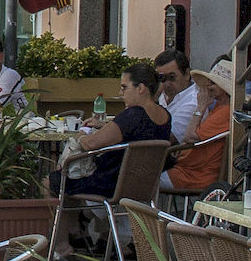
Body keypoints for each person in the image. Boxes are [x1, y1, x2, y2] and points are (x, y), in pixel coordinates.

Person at [51, 60, 175, 208]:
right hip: (143, 185)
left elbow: (91, 144)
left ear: (141, 88)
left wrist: (82, 135)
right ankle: (89, 223)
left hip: (111, 185)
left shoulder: (132, 115)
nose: (120, 93)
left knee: (52, 181)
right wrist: (105, 125)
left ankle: (67, 229)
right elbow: (139, 132)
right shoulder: (165, 116)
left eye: (124, 87)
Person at [163, 59, 233, 195]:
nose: (208, 87)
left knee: (141, 178)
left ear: (223, 88)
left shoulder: (224, 112)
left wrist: (200, 107)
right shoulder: (220, 108)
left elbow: (189, 137)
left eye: (213, 83)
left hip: (193, 175)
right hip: (190, 170)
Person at [154, 48, 200, 145]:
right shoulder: (162, 95)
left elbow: (168, 138)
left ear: (187, 74)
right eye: (162, 78)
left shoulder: (193, 101)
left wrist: (152, 100)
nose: (166, 83)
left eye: (171, 77)